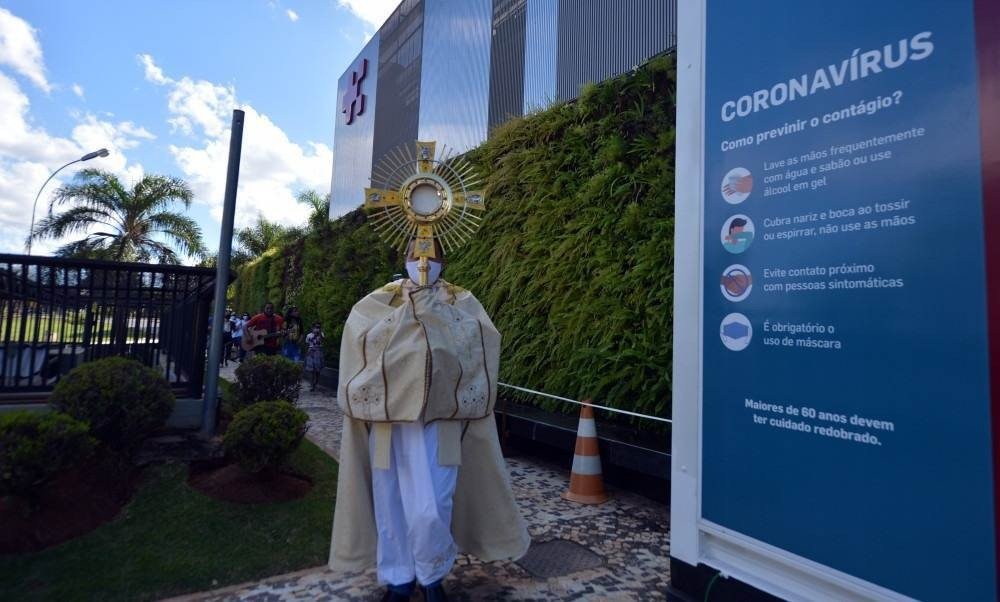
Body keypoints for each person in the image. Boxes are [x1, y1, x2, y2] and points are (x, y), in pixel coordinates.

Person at [329, 238, 529, 602]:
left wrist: (435, 317)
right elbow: (360, 343)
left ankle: (432, 572)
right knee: (389, 501)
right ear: (404, 258)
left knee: (433, 505)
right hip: (391, 423)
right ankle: (399, 577)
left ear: (443, 260)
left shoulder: (461, 302)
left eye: (432, 254)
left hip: (442, 420)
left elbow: (480, 344)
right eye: (416, 254)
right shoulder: (380, 302)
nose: (424, 260)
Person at [304, 321, 324, 391]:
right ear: (312, 328)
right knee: (311, 369)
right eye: (316, 327)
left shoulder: (321, 334)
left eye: (318, 327)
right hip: (311, 352)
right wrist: (307, 353)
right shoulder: (309, 335)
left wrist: (319, 334)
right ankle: (312, 384)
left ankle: (316, 382)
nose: (317, 329)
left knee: (318, 369)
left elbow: (322, 341)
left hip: (318, 352)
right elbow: (307, 344)